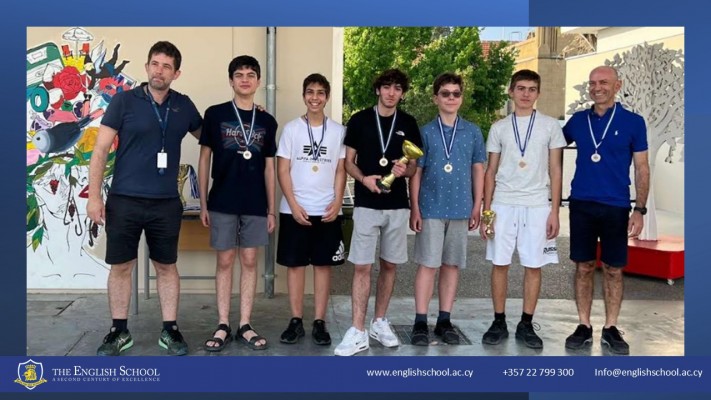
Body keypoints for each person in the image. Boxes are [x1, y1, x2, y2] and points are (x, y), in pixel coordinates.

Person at [88, 41, 202, 356]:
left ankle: (170, 330)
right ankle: (118, 331)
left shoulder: (183, 106)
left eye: (166, 66)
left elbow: (211, 137)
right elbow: (100, 149)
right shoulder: (124, 101)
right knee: (121, 266)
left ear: (176, 73)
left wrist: (247, 116)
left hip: (165, 202)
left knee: (166, 266)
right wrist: (94, 196)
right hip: (124, 200)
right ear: (147, 66)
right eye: (155, 63)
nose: (159, 71)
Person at [334, 68, 422, 356]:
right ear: (378, 90)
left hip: (396, 205)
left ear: (402, 93)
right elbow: (348, 162)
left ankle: (379, 322)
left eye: (397, 88)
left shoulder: (408, 123)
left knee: (389, 265)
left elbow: (413, 167)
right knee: (361, 265)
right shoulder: (359, 120)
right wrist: (364, 180)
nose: (391, 92)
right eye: (386, 87)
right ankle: (357, 330)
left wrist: (404, 170)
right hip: (366, 203)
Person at [563, 65, 649, 355]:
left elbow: (642, 167)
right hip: (582, 204)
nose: (596, 87)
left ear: (617, 85)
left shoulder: (633, 122)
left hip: (616, 205)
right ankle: (583, 325)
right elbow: (549, 147)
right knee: (584, 267)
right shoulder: (577, 121)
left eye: (603, 82)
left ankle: (611, 327)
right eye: (592, 83)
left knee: (613, 269)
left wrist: (639, 209)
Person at [480, 69, 566, 349]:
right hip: (503, 203)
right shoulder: (499, 127)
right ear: (511, 91)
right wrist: (487, 212)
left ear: (538, 93)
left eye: (531, 89)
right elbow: (490, 171)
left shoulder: (550, 126)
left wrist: (555, 211)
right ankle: (499, 321)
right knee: (500, 263)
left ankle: (526, 323)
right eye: (520, 88)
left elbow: (556, 169)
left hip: (537, 204)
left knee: (533, 264)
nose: (526, 94)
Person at [197, 55, 277, 352]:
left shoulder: (267, 120)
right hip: (222, 200)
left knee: (251, 261)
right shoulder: (215, 114)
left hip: (255, 202)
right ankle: (222, 323)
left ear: (258, 81)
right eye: (239, 75)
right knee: (225, 261)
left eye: (250, 75)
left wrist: (271, 209)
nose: (245, 79)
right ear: (231, 80)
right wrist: (203, 203)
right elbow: (204, 159)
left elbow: (269, 168)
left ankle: (244, 323)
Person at [408, 73, 485, 346]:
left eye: (456, 93)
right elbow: (417, 172)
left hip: (461, 208)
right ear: (435, 98)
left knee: (451, 265)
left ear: (461, 98)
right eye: (445, 93)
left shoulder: (473, 132)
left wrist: (477, 205)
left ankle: (444, 320)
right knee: (428, 264)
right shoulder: (425, 132)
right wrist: (415, 207)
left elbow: (478, 169)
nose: (451, 98)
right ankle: (420, 321)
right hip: (430, 207)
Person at [276, 73, 347, 346]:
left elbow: (340, 170)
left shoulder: (338, 131)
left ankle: (319, 321)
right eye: (310, 92)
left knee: (322, 266)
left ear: (326, 97)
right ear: (303, 95)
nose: (314, 97)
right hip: (295, 210)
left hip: (326, 209)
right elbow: (283, 169)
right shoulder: (292, 129)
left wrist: (337, 202)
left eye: (320, 92)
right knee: (295, 266)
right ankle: (296, 320)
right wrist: (293, 205)